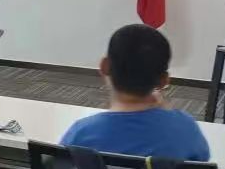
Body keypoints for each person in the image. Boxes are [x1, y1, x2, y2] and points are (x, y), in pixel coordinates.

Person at [60, 24, 209, 161]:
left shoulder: (81, 133)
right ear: (164, 81)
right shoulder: (186, 129)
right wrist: (167, 111)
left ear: (105, 66)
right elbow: (201, 165)